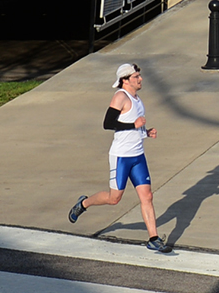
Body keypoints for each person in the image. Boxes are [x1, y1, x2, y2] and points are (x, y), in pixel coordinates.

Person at [68, 63, 171, 253]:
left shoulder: (137, 99)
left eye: (139, 76)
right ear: (125, 80)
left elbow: (134, 125)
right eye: (136, 77)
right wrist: (134, 124)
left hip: (138, 155)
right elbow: (108, 124)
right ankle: (83, 203)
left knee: (147, 196)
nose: (140, 79)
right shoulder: (120, 97)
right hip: (121, 156)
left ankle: (153, 238)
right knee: (114, 198)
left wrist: (145, 132)